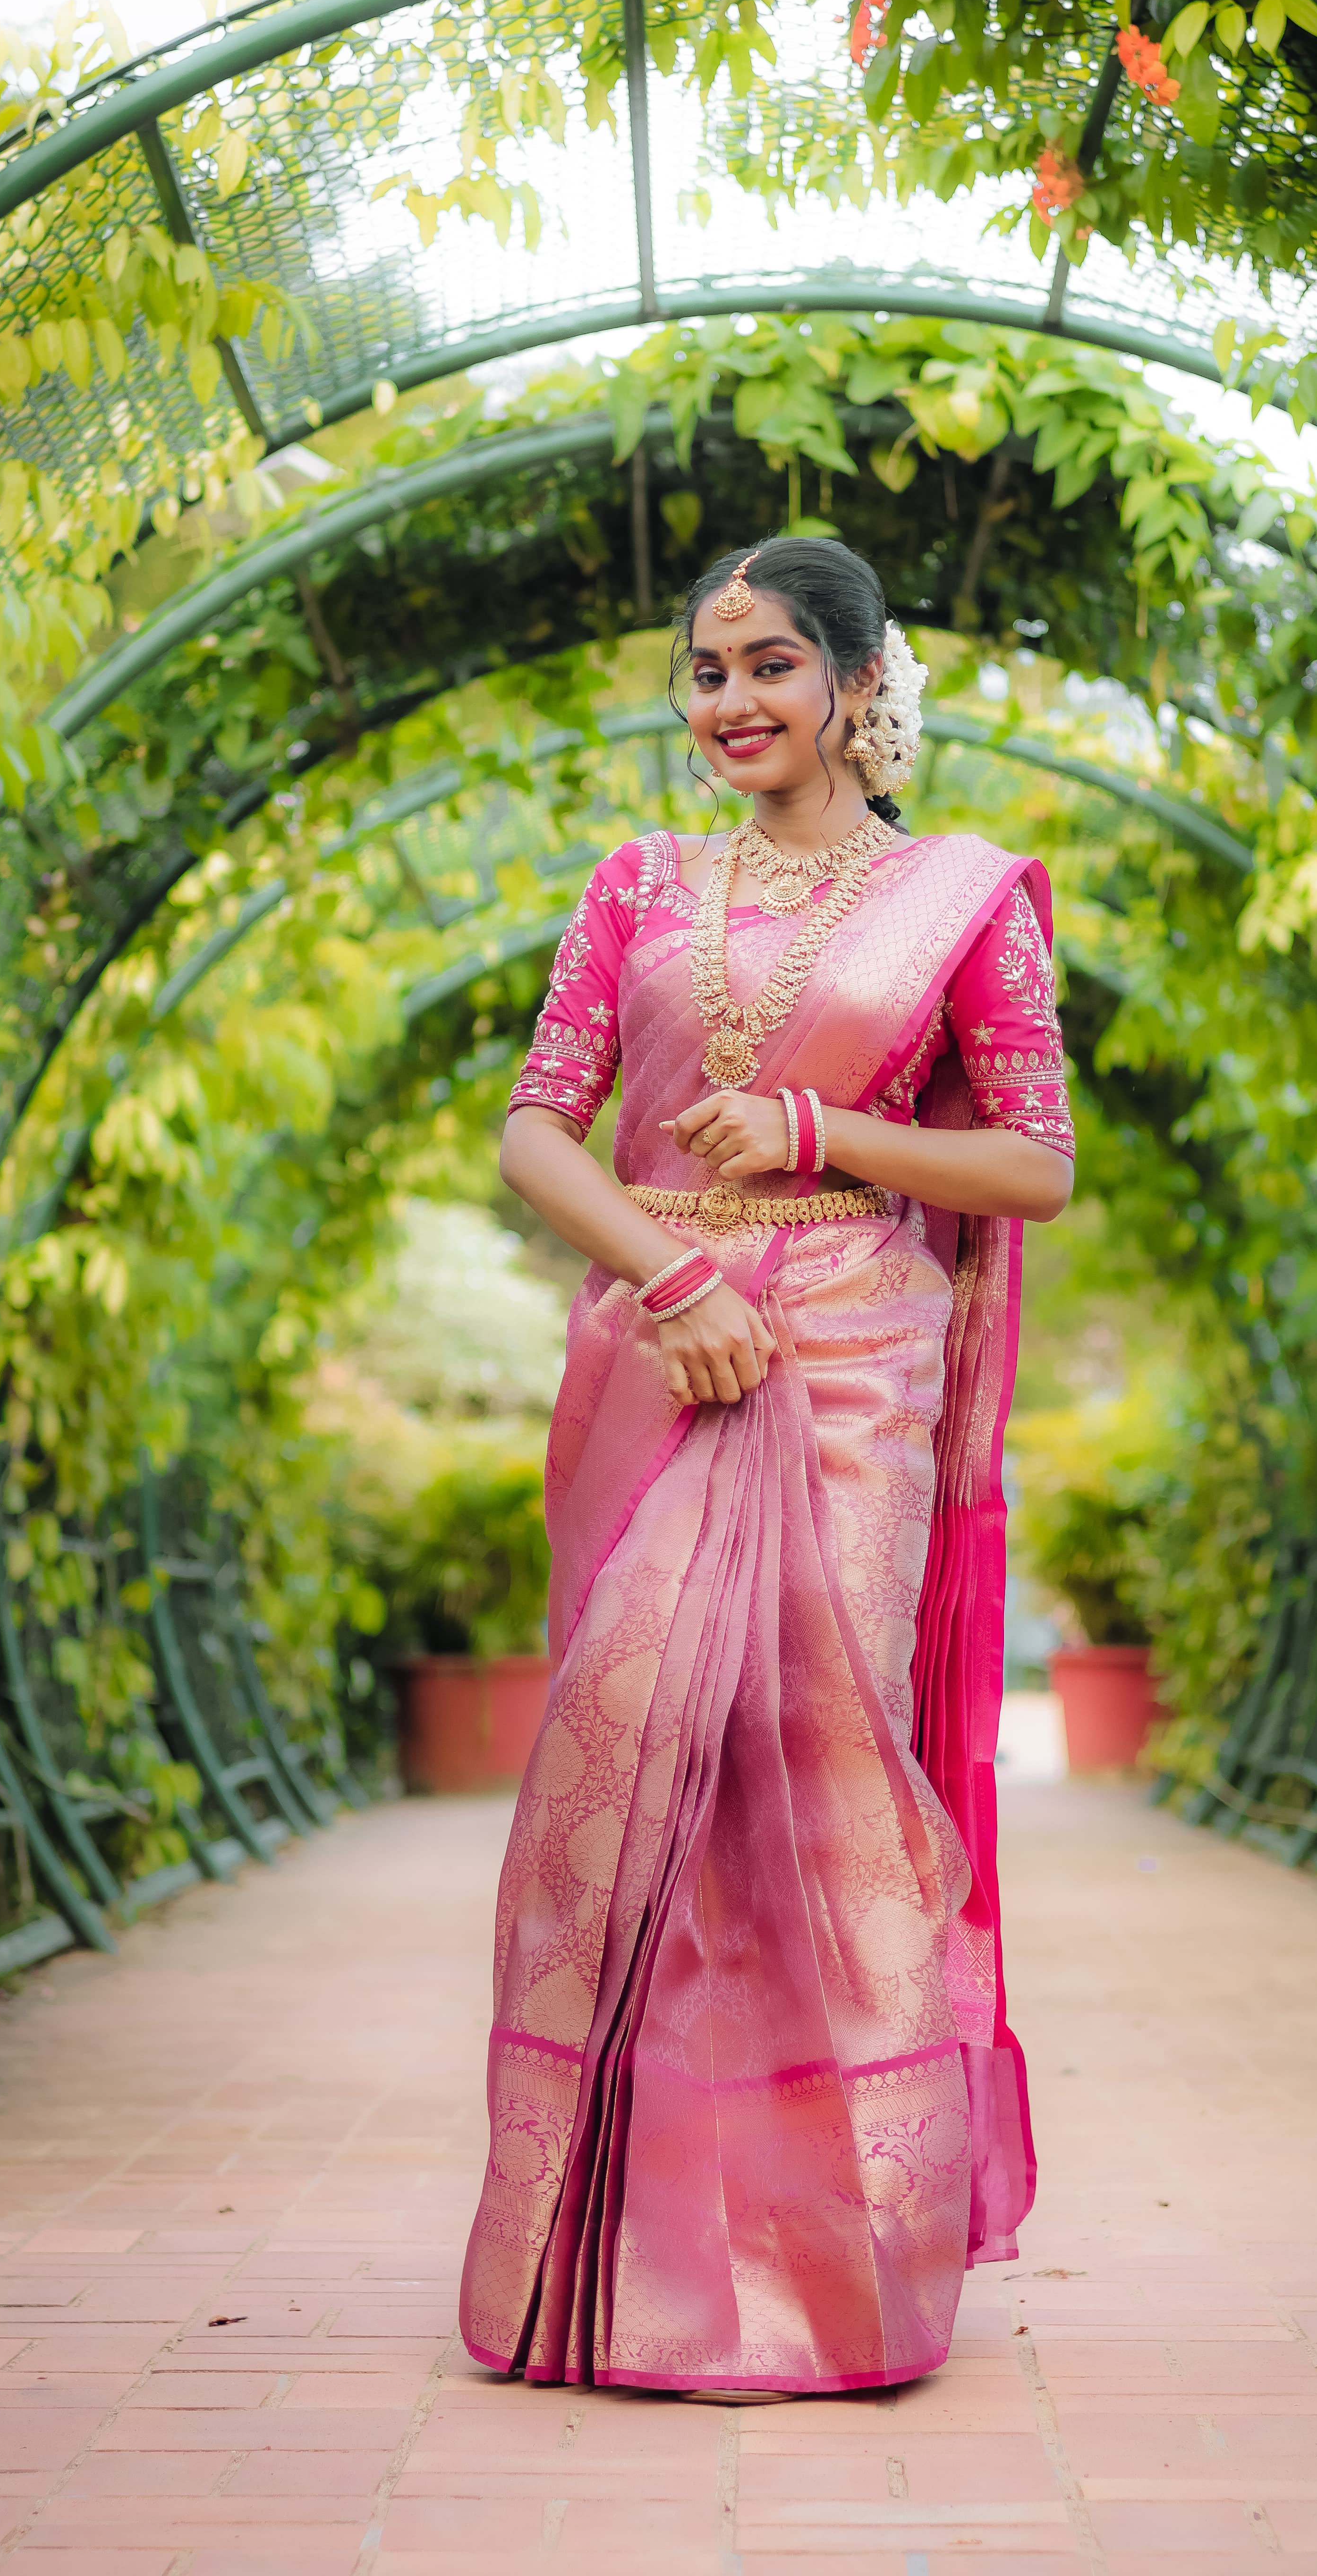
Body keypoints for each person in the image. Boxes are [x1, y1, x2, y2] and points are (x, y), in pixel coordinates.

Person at [459, 535, 1075, 2399]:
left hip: (854, 1361)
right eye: (708, 668)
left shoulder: (960, 903)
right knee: (630, 1749)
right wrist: (673, 1274)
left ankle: (843, 2258)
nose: (731, 702)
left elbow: (1035, 1162)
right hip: (658, 1338)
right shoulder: (636, 886)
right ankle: (611, 2260)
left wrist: (824, 1124)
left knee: (816, 1762)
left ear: (860, 682)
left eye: (771, 666)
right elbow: (536, 1130)